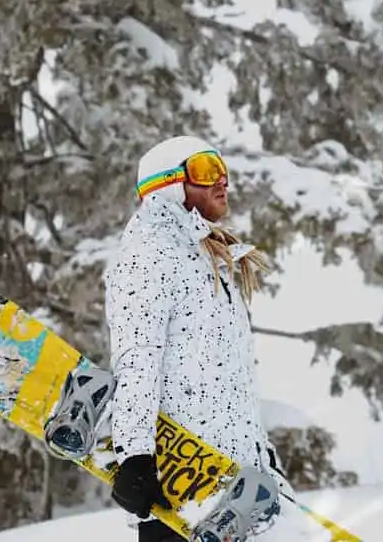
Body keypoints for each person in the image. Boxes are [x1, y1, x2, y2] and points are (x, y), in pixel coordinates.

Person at [102, 135, 294, 541]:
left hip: (232, 491)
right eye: (206, 171)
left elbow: (227, 377)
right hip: (179, 493)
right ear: (167, 184)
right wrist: (134, 456)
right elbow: (138, 358)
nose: (221, 181)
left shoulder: (207, 256)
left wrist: (260, 454)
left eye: (222, 171)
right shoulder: (149, 254)